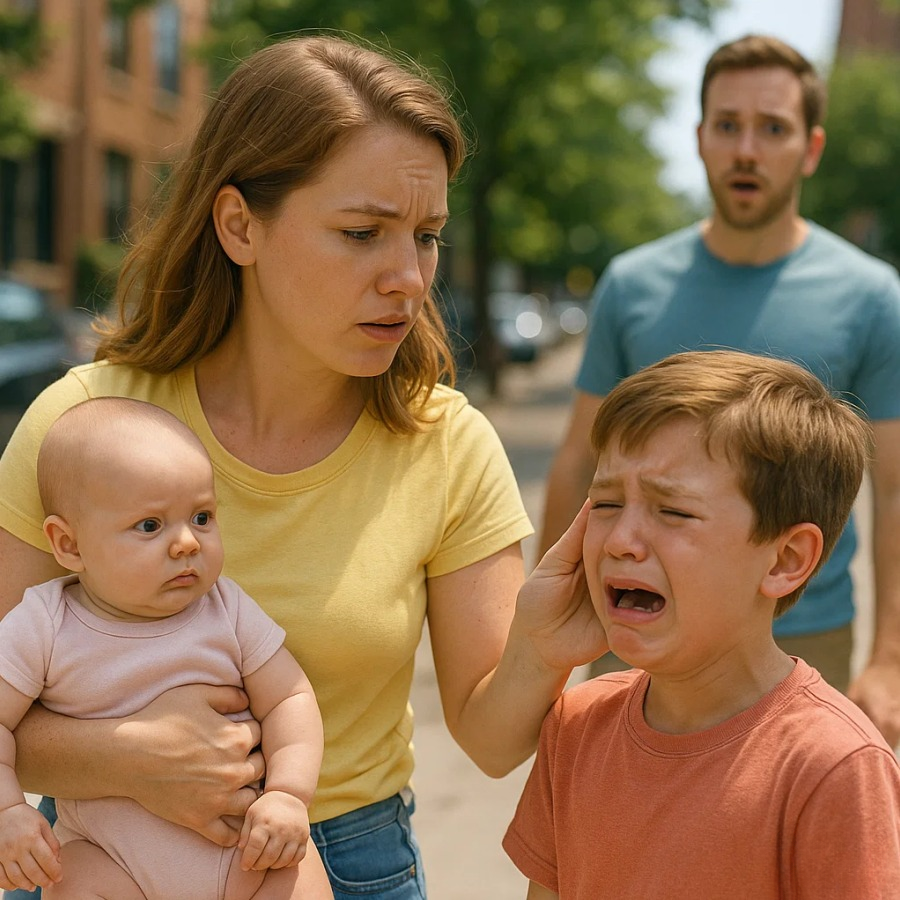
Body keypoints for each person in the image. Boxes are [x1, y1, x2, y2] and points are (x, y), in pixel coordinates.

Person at [0, 34, 605, 900]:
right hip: (100, 865)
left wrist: (544, 650)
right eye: (361, 233)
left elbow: (491, 741)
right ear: (240, 225)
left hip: (350, 865)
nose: (408, 277)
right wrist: (131, 759)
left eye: (426, 236)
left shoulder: (449, 443)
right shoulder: (81, 427)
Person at [539, 34, 900, 744]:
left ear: (811, 148)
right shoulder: (632, 285)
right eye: (728, 125)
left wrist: (890, 658)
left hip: (805, 635)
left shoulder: (872, 296)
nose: (746, 150)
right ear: (701, 138)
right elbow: (579, 462)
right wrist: (543, 637)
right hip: (639, 623)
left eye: (773, 128)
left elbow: (894, 487)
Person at [506, 349, 900, 899]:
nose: (620, 540)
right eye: (606, 504)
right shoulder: (576, 726)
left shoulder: (832, 764)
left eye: (673, 512)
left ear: (786, 560)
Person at [0, 397, 331, 898]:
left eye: (201, 517)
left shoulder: (226, 609)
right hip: (112, 863)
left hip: (245, 857)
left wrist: (288, 794)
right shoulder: (44, 624)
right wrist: (8, 810)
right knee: (72, 876)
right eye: (151, 526)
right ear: (69, 544)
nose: (187, 543)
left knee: (296, 871)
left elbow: (290, 696)